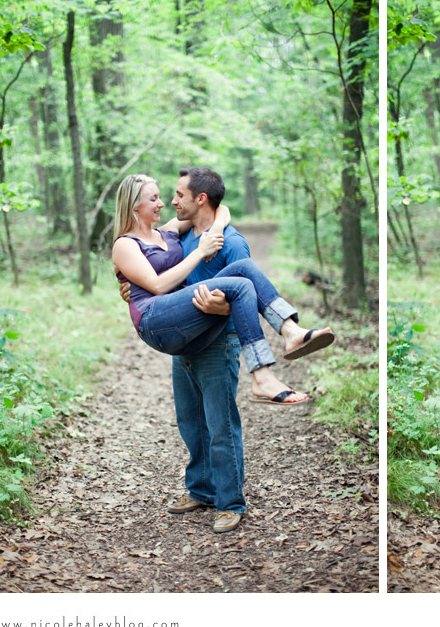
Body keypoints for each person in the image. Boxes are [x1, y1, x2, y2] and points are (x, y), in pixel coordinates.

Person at [113, 168, 334, 532]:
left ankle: (230, 502)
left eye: (176, 195)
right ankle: (201, 489)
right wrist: (133, 286)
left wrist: (222, 303)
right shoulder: (178, 233)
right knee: (191, 422)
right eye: (157, 197)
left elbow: (242, 294)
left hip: (218, 340)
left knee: (220, 427)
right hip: (183, 332)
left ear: (200, 199)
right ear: (135, 205)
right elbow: (153, 278)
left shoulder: (228, 242)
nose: (168, 202)